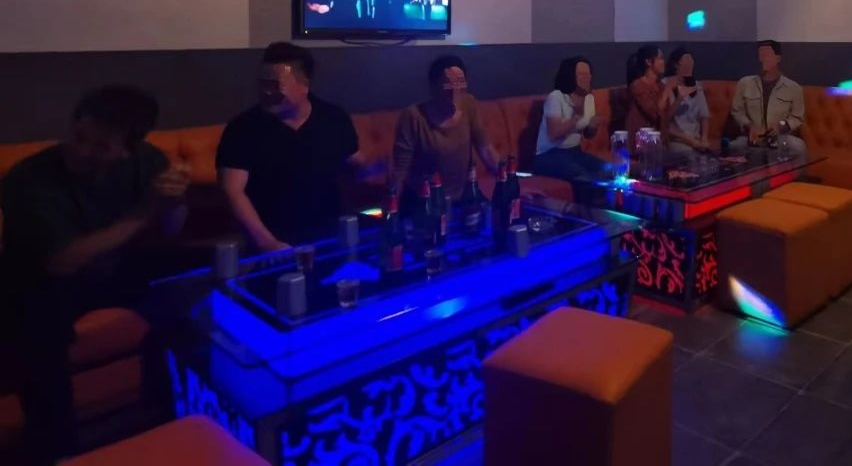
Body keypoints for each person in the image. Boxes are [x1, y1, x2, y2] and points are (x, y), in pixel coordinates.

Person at [1, 86, 188, 462]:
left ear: (128, 149)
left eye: (101, 146)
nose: (82, 151)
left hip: (113, 269)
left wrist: (175, 201)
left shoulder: (146, 160)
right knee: (38, 333)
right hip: (40, 283)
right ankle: (54, 450)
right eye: (79, 136)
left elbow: (171, 232)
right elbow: (61, 261)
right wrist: (144, 214)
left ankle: (170, 409)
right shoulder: (28, 179)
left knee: (192, 279)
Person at [218, 42, 363, 252]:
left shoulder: (333, 119)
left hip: (329, 236)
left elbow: (353, 166)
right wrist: (269, 243)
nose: (266, 92)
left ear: (304, 84)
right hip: (271, 241)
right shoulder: (242, 128)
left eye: (275, 85)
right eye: (262, 84)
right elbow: (232, 190)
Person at [390, 55, 500, 209]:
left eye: (461, 88)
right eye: (448, 90)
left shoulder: (469, 104)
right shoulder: (413, 117)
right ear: (433, 88)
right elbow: (399, 170)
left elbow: (486, 150)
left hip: (464, 196)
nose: (455, 96)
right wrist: (391, 209)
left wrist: (509, 183)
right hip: (426, 201)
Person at [532, 57, 607, 198]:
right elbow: (554, 133)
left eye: (588, 74)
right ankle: (586, 210)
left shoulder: (589, 98)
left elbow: (588, 134)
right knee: (583, 176)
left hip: (575, 152)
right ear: (570, 76)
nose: (587, 78)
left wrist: (592, 126)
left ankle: (613, 206)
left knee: (606, 170)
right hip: (548, 155)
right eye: (582, 74)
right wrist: (575, 118)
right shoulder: (556, 97)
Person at [730, 40, 807, 161]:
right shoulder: (744, 83)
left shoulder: (793, 88)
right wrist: (749, 126)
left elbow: (797, 117)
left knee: (798, 147)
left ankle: (793, 174)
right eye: (761, 56)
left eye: (767, 55)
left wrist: (781, 126)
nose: (763, 59)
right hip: (752, 137)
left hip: (779, 138)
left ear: (778, 58)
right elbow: (737, 111)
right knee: (734, 146)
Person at [664, 47, 712, 154]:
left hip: (695, 138)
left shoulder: (697, 86)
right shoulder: (666, 84)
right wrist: (679, 98)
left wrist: (704, 139)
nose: (689, 63)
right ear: (676, 65)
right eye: (685, 60)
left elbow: (704, 116)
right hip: (677, 139)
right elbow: (665, 121)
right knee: (688, 152)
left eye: (691, 60)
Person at [625, 44, 673, 143]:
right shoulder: (638, 86)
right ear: (648, 62)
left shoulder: (661, 86)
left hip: (660, 139)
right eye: (660, 58)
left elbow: (667, 116)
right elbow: (654, 113)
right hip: (642, 140)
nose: (663, 62)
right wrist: (668, 90)